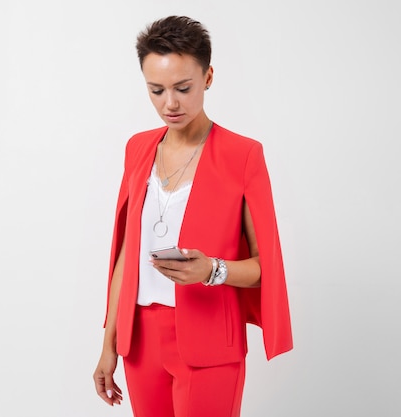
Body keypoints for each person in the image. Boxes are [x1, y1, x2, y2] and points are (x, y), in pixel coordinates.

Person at [93, 15, 293, 417]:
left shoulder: (243, 155)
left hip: (210, 342)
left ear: (208, 77)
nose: (171, 103)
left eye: (183, 88)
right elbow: (127, 256)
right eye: (157, 90)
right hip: (140, 342)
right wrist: (108, 345)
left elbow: (263, 265)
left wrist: (212, 270)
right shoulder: (138, 149)